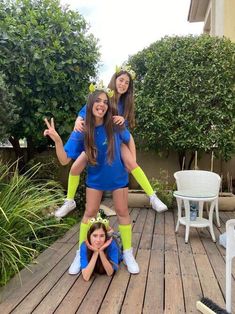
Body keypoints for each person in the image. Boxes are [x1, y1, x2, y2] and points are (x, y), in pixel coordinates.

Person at [44, 84, 139, 275]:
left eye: (105, 102)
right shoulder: (82, 129)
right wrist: (57, 141)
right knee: (89, 213)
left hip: (117, 176)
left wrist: (133, 162)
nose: (102, 105)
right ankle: (81, 255)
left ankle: (128, 253)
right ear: (90, 104)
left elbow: (128, 139)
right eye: (98, 101)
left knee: (122, 212)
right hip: (95, 178)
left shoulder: (114, 123)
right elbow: (64, 160)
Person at [54, 65, 168, 218]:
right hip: (94, 139)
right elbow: (85, 111)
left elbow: (127, 134)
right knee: (75, 168)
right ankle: (69, 200)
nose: (123, 84)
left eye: (127, 83)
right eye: (121, 80)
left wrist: (131, 156)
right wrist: (77, 121)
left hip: (115, 140)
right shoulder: (104, 97)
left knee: (131, 162)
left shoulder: (126, 105)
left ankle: (152, 196)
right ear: (115, 80)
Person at [80, 216, 122, 281]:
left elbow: (110, 273)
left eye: (102, 236)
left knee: (118, 240)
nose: (98, 240)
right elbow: (86, 277)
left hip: (116, 246)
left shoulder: (112, 245)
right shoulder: (84, 246)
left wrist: (101, 251)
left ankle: (113, 233)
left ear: (105, 236)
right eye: (94, 235)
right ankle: (111, 232)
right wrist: (96, 252)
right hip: (107, 238)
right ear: (89, 235)